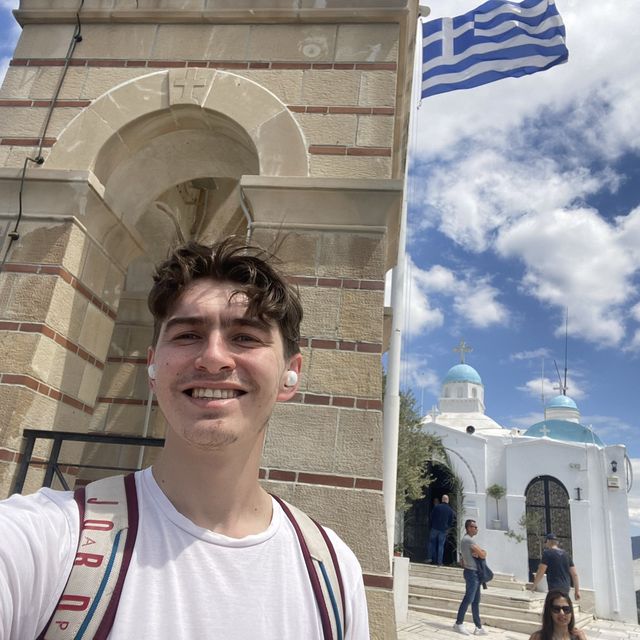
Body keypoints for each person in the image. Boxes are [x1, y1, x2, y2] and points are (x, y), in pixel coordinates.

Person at [0, 238, 370, 639]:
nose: (213, 357)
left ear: (289, 374)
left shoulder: (333, 572)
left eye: (245, 337)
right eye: (187, 335)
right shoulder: (45, 540)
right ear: (153, 365)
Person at [453, 519, 488, 636]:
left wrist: (480, 553)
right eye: (474, 527)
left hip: (473, 573)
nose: (476, 529)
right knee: (468, 599)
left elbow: (479, 554)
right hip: (472, 573)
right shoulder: (468, 540)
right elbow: (483, 554)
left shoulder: (467, 540)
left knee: (475, 601)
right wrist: (481, 552)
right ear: (469, 528)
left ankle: (478, 627)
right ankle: (458, 623)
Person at [528, 533, 581, 600]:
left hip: (554, 587)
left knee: (552, 608)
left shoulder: (547, 553)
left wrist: (534, 585)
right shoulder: (566, 554)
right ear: (557, 543)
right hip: (566, 587)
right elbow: (575, 574)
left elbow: (541, 572)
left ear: (548, 541)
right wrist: (577, 591)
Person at [429, 493, 455, 565]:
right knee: (441, 546)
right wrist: (447, 528)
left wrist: (433, 524)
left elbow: (431, 516)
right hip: (443, 530)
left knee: (432, 543)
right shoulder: (450, 510)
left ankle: (433, 559)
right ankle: (439, 562)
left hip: (434, 528)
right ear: (448, 500)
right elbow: (451, 521)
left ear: (442, 500)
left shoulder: (437, 507)